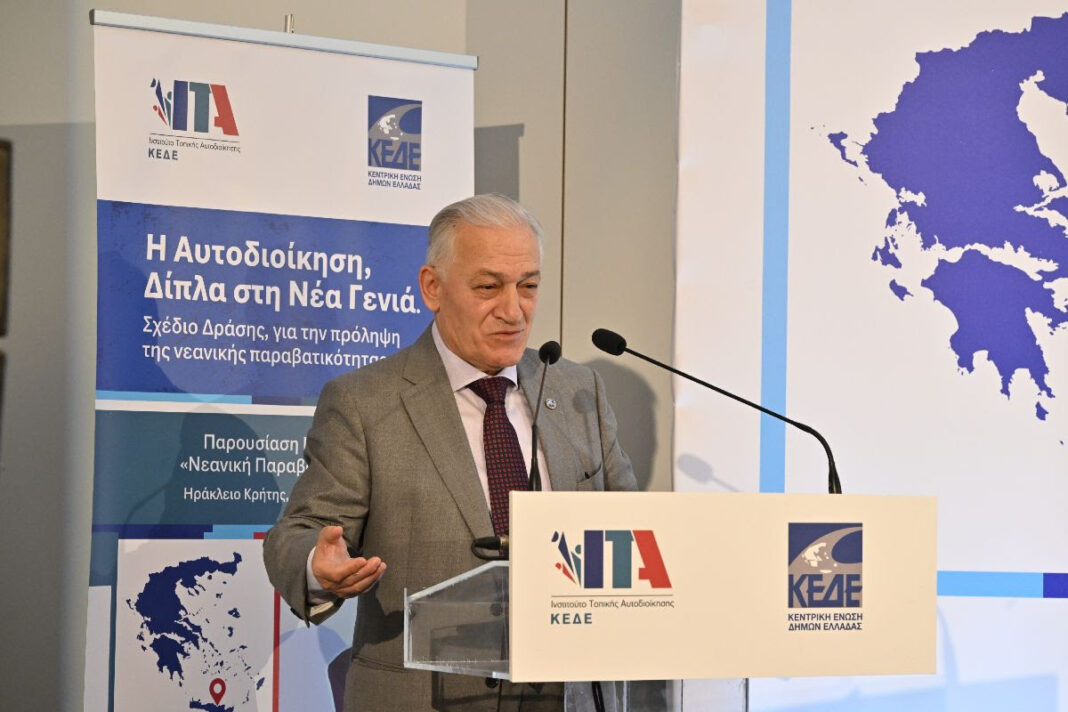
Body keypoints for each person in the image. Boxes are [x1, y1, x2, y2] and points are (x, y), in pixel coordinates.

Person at [263, 193, 637, 711]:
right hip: (423, 696)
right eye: (488, 287)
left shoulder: (577, 391)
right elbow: (301, 530)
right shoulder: (364, 401)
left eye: (528, 286)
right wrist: (316, 565)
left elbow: (634, 531)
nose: (514, 310)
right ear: (432, 288)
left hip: (566, 694)